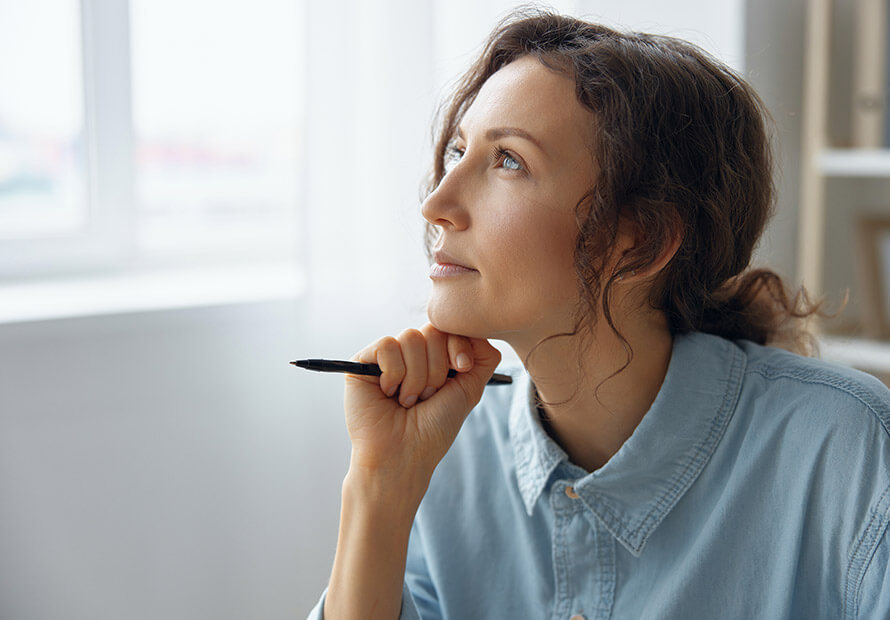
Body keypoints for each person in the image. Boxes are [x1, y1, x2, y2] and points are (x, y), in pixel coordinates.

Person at [309, 10, 890, 619]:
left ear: (640, 240)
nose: (436, 204)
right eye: (457, 151)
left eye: (508, 160)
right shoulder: (447, 448)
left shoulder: (846, 449)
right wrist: (380, 484)